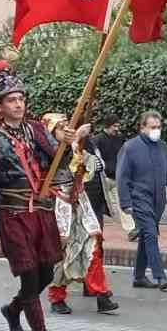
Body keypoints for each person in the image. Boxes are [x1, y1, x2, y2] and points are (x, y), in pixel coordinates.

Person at [0, 66, 78, 331]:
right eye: (11, 100)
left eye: (21, 98)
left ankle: (14, 309)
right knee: (30, 276)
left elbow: (56, 162)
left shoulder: (36, 130)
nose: (18, 104)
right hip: (13, 215)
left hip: (41, 212)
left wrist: (65, 144)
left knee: (47, 271)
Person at [46, 117, 119, 316]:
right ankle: (57, 296)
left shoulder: (75, 147)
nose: (66, 130)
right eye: (61, 128)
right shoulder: (47, 151)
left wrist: (90, 157)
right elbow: (61, 162)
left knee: (93, 246)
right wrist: (76, 138)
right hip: (59, 205)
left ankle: (101, 293)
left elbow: (92, 166)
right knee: (63, 253)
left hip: (80, 202)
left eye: (67, 126)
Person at [115, 111, 167, 290]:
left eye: (159, 127)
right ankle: (160, 276)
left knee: (147, 236)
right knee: (150, 233)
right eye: (153, 127)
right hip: (139, 198)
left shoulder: (163, 147)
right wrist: (125, 202)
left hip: (157, 200)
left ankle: (139, 276)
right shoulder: (130, 148)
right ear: (142, 128)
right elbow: (122, 177)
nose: (157, 130)